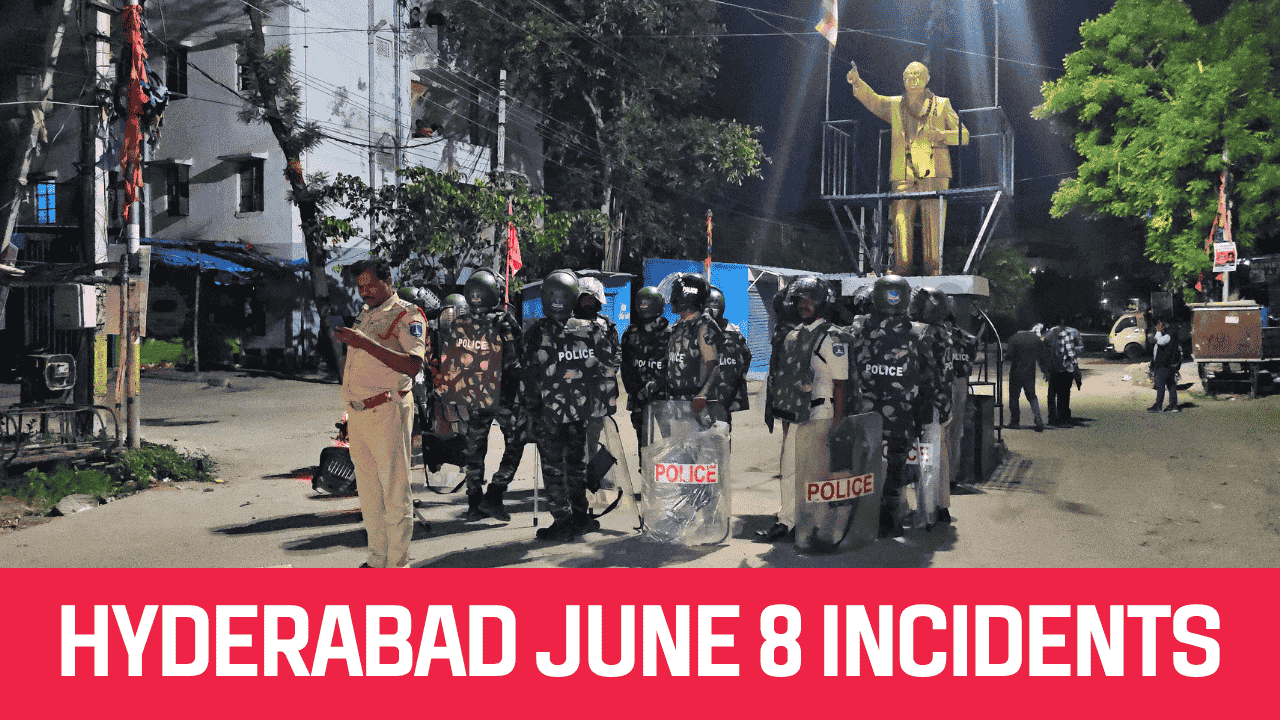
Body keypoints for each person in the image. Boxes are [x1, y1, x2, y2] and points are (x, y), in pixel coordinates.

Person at [335, 258, 428, 568]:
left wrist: (364, 344)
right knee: (369, 494)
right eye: (360, 287)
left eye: (370, 285)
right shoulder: (367, 314)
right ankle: (377, 560)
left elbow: (412, 365)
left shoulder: (407, 315)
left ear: (388, 281)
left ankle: (398, 566)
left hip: (387, 409)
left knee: (394, 492)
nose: (364, 292)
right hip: (360, 413)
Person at [846, 61, 968, 276]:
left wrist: (943, 135)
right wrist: (857, 83)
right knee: (901, 221)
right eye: (908, 75)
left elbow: (964, 135)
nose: (912, 78)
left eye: (917, 74)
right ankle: (901, 267)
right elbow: (874, 100)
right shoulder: (895, 105)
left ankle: (934, 268)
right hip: (903, 172)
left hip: (934, 172)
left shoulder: (941, 104)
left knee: (933, 223)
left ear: (926, 79)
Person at [523, 269, 614, 541]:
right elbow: (605, 367)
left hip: (548, 414)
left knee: (554, 470)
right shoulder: (592, 329)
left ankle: (563, 521)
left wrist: (529, 411)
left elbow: (527, 374)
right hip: (579, 412)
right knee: (576, 466)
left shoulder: (536, 331)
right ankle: (581, 517)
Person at [760, 276, 848, 542]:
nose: (804, 304)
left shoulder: (833, 337)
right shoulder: (793, 335)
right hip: (796, 415)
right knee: (789, 470)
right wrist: (786, 419)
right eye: (800, 300)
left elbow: (840, 385)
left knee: (815, 473)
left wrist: (837, 425)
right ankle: (786, 521)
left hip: (821, 413)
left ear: (822, 303)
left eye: (810, 300)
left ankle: (815, 525)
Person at [852, 274, 940, 538]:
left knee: (864, 464)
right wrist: (925, 414)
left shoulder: (859, 328)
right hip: (902, 414)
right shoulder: (919, 332)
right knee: (895, 468)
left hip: (865, 414)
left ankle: (863, 517)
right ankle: (888, 520)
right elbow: (928, 377)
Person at [440, 268, 526, 522]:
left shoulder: (459, 323)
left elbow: (452, 361)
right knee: (517, 440)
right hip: (503, 397)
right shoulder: (504, 321)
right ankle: (495, 494)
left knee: (474, 449)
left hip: (474, 397)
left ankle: (474, 504)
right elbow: (515, 361)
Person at [664, 273, 724, 418]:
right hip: (677, 403)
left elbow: (714, 365)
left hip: (696, 406)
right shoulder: (679, 325)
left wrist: (703, 395)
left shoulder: (703, 326)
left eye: (675, 294)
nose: (671, 299)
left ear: (687, 297)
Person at [620, 286, 669, 455]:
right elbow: (626, 367)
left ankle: (661, 468)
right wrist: (637, 391)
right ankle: (646, 468)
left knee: (668, 438)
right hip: (644, 397)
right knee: (646, 440)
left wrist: (637, 391)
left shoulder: (669, 333)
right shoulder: (631, 333)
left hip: (662, 397)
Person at [706, 286, 752, 425]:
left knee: (722, 432)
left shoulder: (733, 334)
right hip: (705, 398)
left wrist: (735, 383)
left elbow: (746, 359)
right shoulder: (698, 333)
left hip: (722, 399)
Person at [1005, 322, 1047, 431]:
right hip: (1030, 372)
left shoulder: (1014, 338)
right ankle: (1038, 417)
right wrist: (1045, 371)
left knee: (1014, 396)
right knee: (1032, 396)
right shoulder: (1036, 339)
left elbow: (1009, 356)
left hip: (1016, 372)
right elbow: (1042, 358)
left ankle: (1015, 421)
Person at [1043, 317, 1084, 426]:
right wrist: (1071, 353)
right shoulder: (1073, 332)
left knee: (1053, 393)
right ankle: (1062, 416)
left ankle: (1054, 417)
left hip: (1056, 366)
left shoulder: (1051, 332)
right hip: (1066, 366)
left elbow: (1045, 348)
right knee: (1063, 393)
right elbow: (1080, 348)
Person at [1148, 320, 1182, 413]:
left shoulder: (1168, 336)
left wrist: (1159, 331)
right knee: (1171, 385)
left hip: (1164, 364)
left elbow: (1160, 342)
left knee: (1160, 385)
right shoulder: (1171, 335)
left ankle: (1159, 406)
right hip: (1168, 364)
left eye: (1160, 325)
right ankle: (1173, 405)